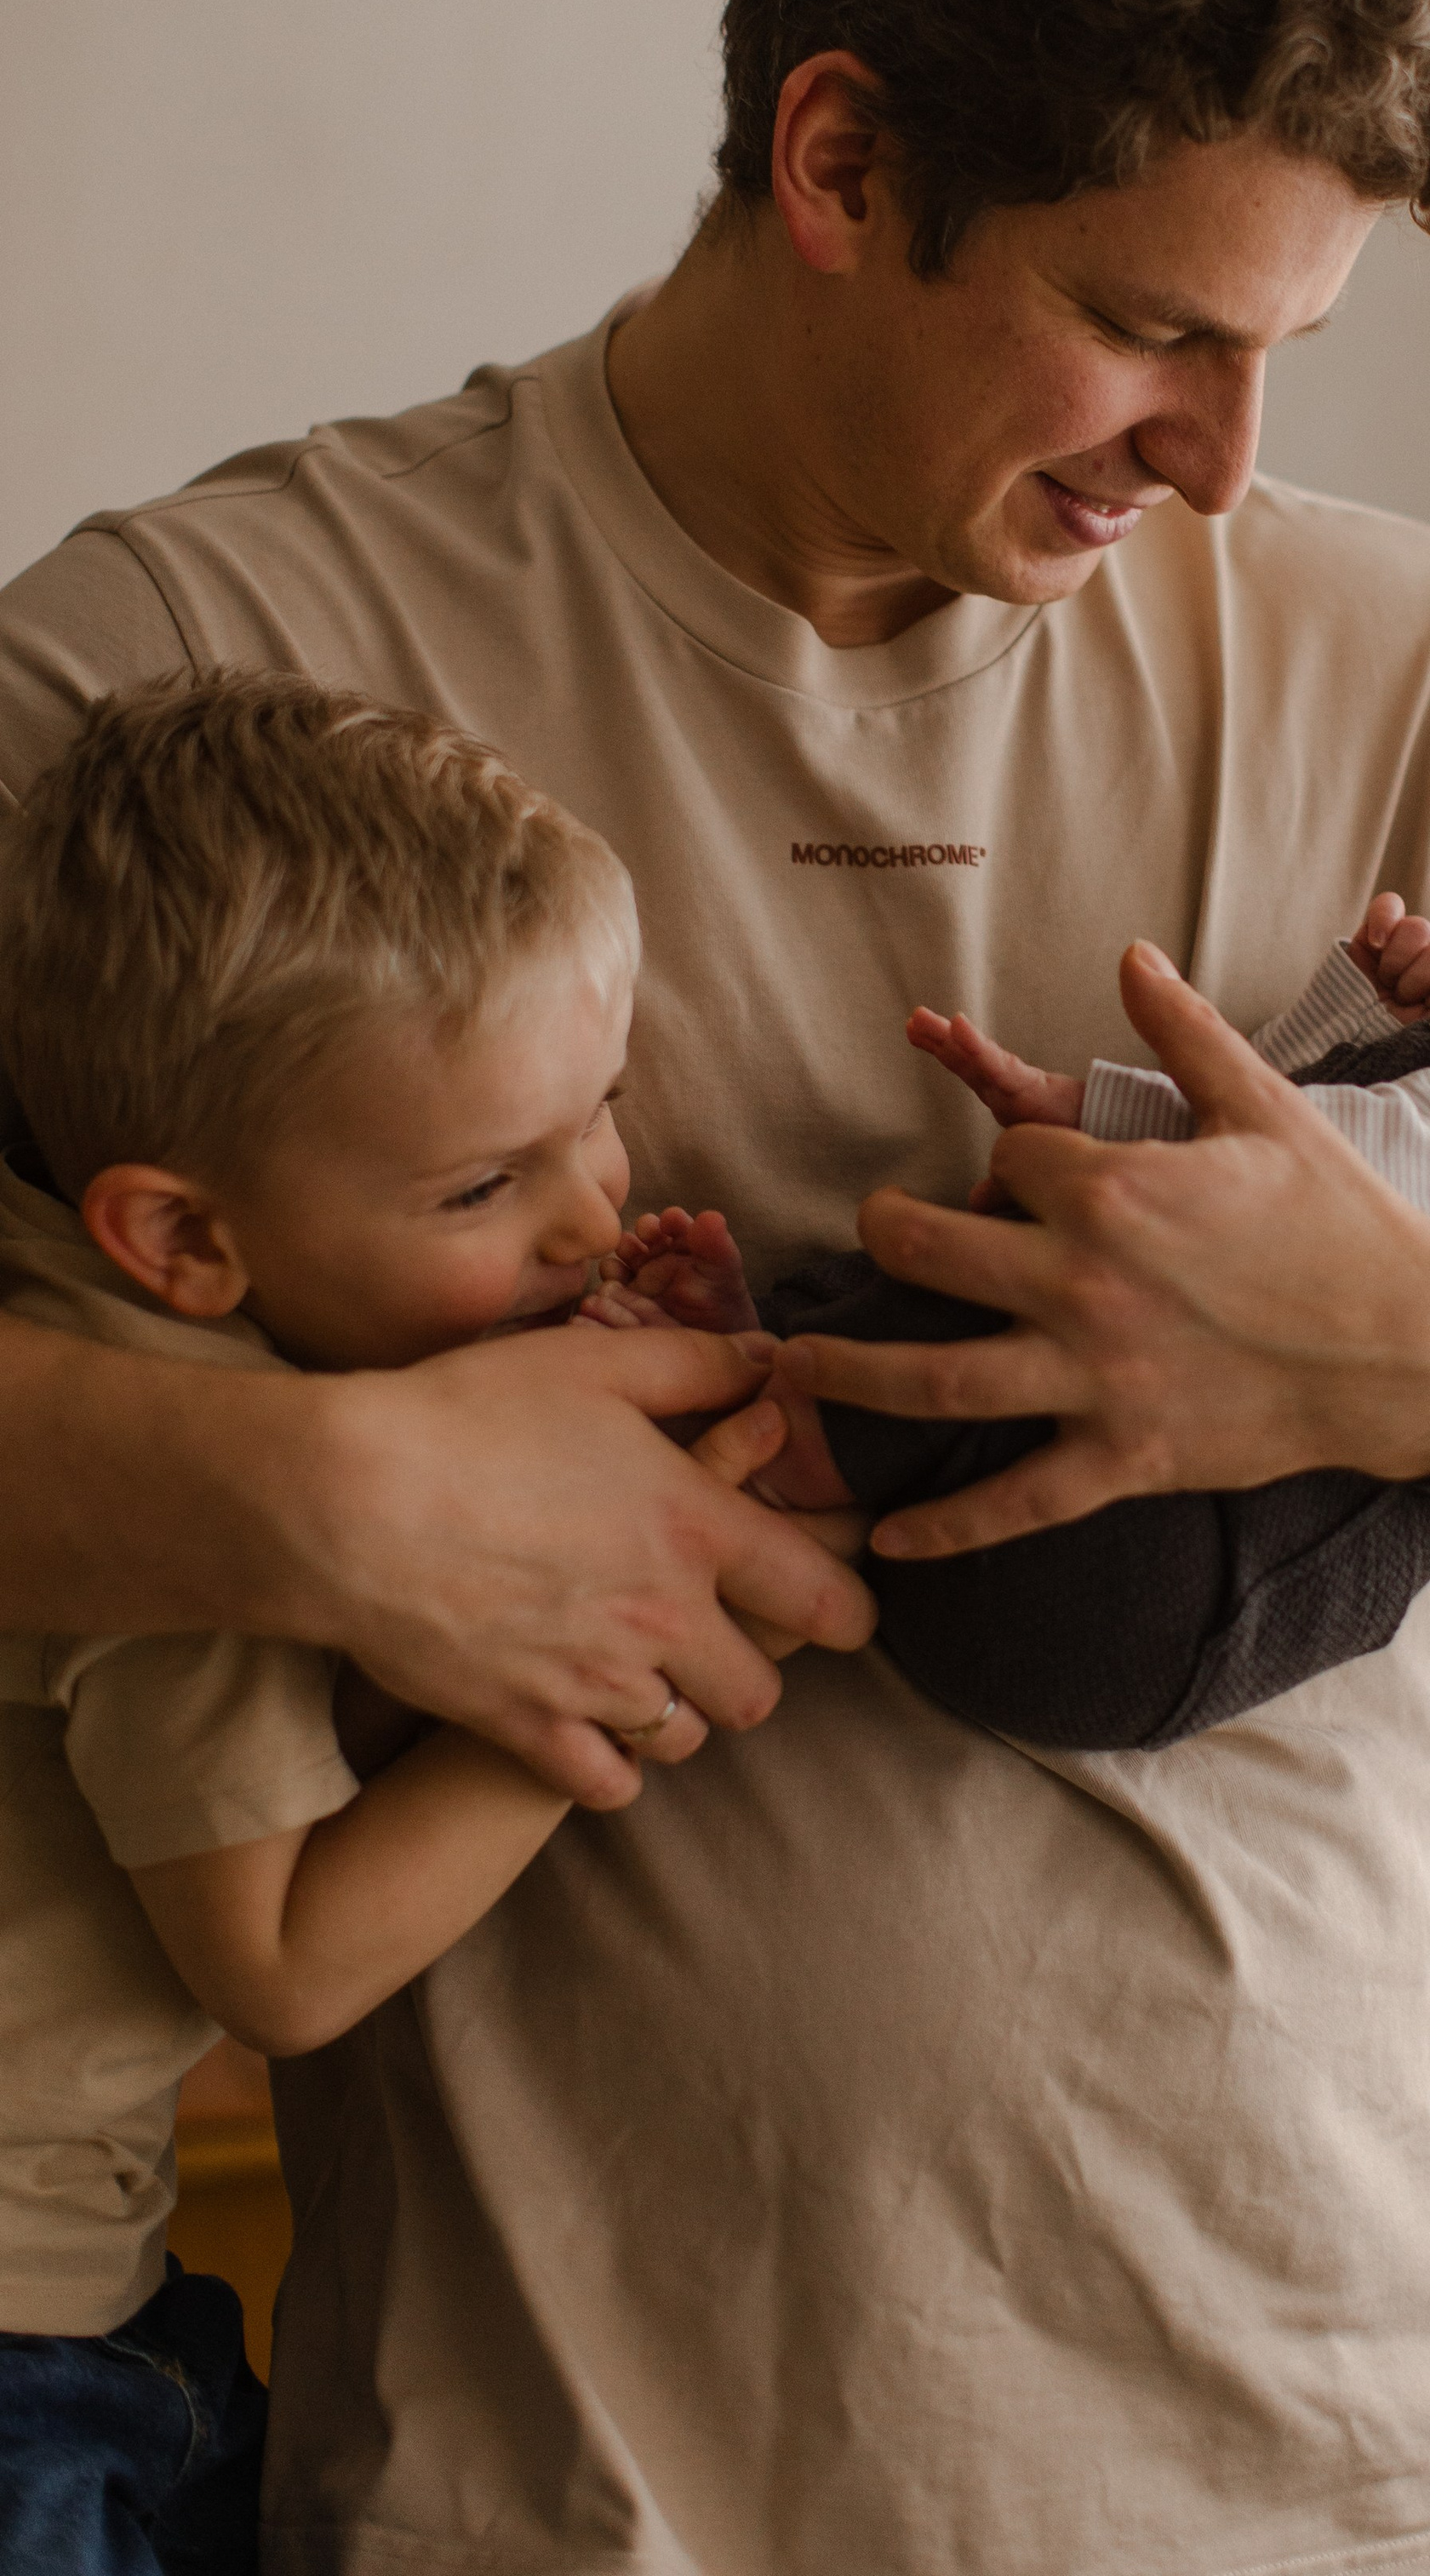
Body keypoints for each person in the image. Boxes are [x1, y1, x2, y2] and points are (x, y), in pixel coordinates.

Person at [0, 0, 1430, 2576]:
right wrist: (333, 1513)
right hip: (577, 2479)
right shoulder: (192, 678)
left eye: (1291, 347)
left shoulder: (1409, 666)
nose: (1233, 459)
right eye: (1151, 327)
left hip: (1347, 2436)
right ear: (840, 153)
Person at [0, 676, 833, 2573]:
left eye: (595, 1115)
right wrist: (619, 1665)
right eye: (482, 1185)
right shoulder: (204, 1513)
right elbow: (280, 1968)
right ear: (184, 1242)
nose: (587, 1216)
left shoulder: (53, 1285)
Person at [592, 837, 1430, 1751]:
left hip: (1150, 1584)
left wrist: (1094, 1115)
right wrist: (1362, 1018)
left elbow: (1298, 1166)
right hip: (1102, 1601)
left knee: (992, 1303)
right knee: (992, 1289)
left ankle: (776, 1421)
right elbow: (1311, 1112)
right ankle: (777, 1365)